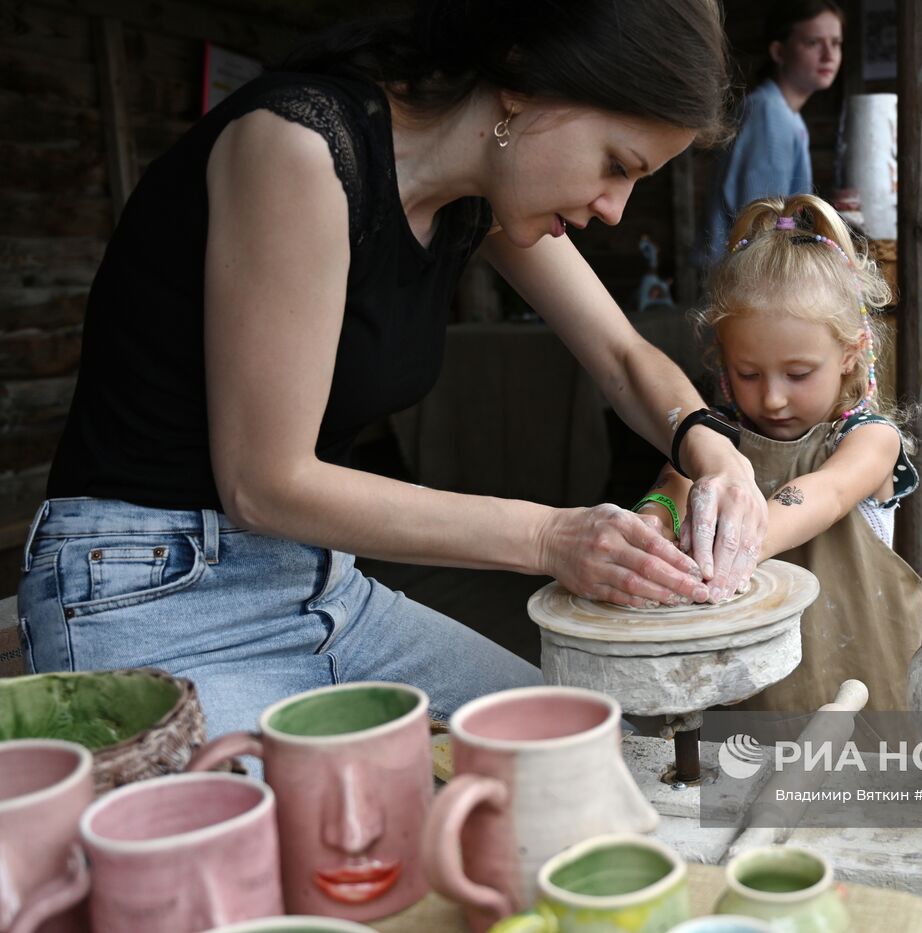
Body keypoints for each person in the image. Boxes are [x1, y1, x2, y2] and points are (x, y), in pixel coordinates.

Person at [17, 0, 770, 742]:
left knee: (587, 754)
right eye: (616, 164)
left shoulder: (478, 196)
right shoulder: (300, 147)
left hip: (319, 584)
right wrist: (549, 537)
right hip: (147, 593)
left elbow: (622, 354)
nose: (614, 208)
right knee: (312, 849)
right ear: (524, 83)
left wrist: (712, 447)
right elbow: (265, 482)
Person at [639, 194, 922, 710]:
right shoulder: (717, 439)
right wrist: (653, 523)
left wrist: (730, 545)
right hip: (744, 701)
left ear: (850, 354)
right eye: (748, 373)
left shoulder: (869, 440)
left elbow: (824, 494)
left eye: (797, 374)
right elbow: (675, 485)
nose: (771, 397)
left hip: (855, 693)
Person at [702, 0, 844, 263]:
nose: (829, 55)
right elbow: (762, 221)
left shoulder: (786, 115)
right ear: (779, 52)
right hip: (745, 275)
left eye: (836, 43)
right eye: (814, 42)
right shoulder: (770, 114)